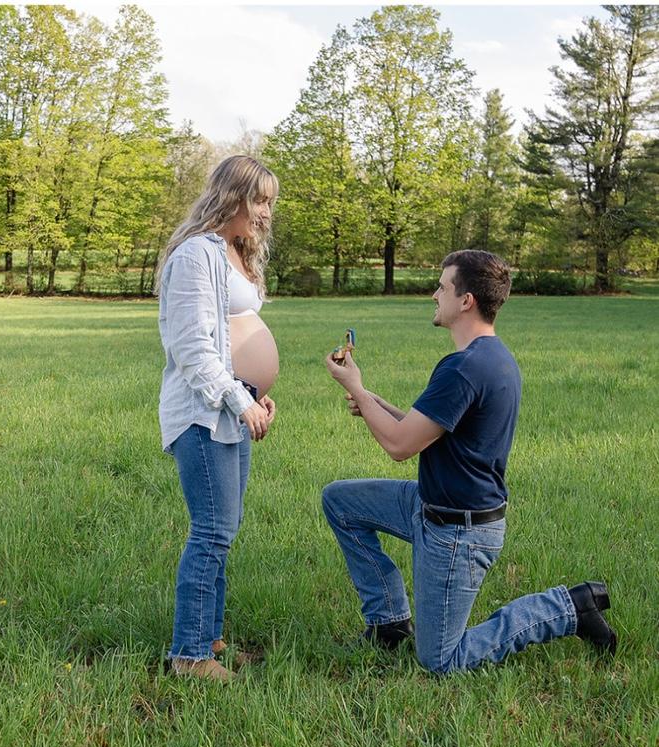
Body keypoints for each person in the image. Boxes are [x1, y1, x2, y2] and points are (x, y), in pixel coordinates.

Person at [322, 249, 617, 674]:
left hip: (459, 531)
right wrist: (371, 401)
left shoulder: (464, 368)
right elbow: (430, 431)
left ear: (466, 301)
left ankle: (570, 607)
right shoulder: (490, 357)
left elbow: (401, 447)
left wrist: (356, 386)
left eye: (442, 287)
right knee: (341, 502)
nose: (433, 295)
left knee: (442, 659)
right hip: (431, 505)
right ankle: (388, 623)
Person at [156, 155, 279, 681]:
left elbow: (236, 333)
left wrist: (256, 394)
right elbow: (192, 348)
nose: (266, 213)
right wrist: (238, 398)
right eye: (259, 200)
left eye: (270, 202)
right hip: (203, 413)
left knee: (223, 530)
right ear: (230, 196)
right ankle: (189, 655)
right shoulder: (194, 255)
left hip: (233, 406)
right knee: (210, 531)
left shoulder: (234, 252)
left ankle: (208, 638)